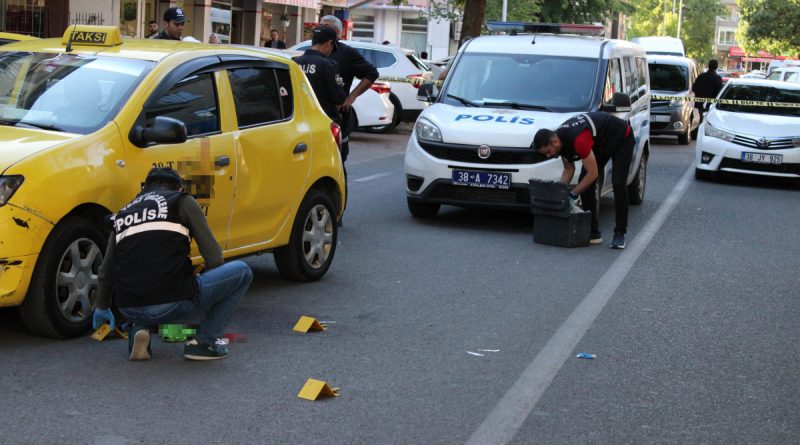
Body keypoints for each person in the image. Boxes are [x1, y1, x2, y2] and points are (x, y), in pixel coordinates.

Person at [92, 167, 253, 361]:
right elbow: (214, 258)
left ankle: (140, 328)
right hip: (171, 301)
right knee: (242, 272)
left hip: (128, 307)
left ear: (145, 189)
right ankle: (205, 342)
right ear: (178, 188)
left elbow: (106, 272)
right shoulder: (182, 202)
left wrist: (101, 307)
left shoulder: (123, 213)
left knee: (150, 291)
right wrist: (205, 292)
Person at [532, 112, 635, 249]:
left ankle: (619, 234)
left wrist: (572, 194)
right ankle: (593, 233)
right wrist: (559, 193)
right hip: (601, 143)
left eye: (548, 151)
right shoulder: (560, 143)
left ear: (554, 141)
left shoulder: (578, 140)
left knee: (618, 184)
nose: (548, 155)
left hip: (622, 138)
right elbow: (569, 170)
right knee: (584, 183)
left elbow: (593, 174)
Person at [319, 15, 379, 181]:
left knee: (337, 161)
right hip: (313, 117)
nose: (321, 29)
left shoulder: (346, 53)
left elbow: (372, 73)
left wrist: (351, 97)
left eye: (326, 27)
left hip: (338, 117)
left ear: (337, 33)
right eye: (320, 25)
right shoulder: (310, 53)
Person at [292, 26, 346, 120]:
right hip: (322, 118)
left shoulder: (295, 63)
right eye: (332, 47)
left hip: (298, 117)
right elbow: (338, 98)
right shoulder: (328, 65)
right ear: (329, 43)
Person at [692, 59, 723, 123]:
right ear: (716, 67)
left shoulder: (701, 76)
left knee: (700, 120)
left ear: (708, 66)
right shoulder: (717, 78)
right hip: (711, 104)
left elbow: (694, 88)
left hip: (699, 103)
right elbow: (719, 92)